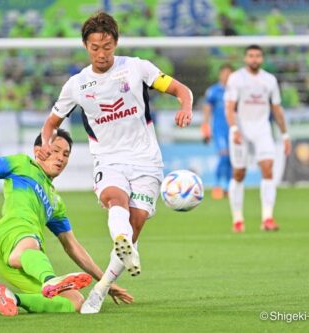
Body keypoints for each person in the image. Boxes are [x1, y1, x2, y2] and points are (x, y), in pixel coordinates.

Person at [39, 12, 193, 314]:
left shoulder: (137, 68)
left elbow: (180, 90)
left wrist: (185, 106)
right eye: (95, 47)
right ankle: (122, 240)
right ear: (86, 46)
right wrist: (46, 144)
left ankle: (101, 288)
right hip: (108, 159)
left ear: (116, 43)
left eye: (107, 46)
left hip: (147, 161)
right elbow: (51, 123)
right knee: (114, 199)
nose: (101, 53)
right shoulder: (77, 85)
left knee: (135, 222)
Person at [0, 129, 133, 315]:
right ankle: (49, 280)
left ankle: (13, 299)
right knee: (29, 243)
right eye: (55, 150)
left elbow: (72, 246)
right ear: (39, 151)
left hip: (19, 262)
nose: (60, 158)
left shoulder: (56, 202)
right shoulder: (23, 164)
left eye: (65, 154)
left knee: (75, 301)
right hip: (13, 230)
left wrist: (105, 282)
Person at [224, 45, 291, 233]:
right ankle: (237, 219)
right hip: (241, 130)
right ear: (246, 58)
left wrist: (285, 135)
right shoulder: (236, 78)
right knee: (239, 173)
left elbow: (277, 109)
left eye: (258, 56)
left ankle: (267, 218)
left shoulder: (270, 80)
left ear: (262, 59)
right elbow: (229, 107)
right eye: (251, 56)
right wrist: (234, 128)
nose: (254, 59)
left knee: (268, 169)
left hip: (262, 129)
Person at [201, 64, 233, 200]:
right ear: (220, 74)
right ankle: (218, 185)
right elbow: (207, 109)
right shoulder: (213, 91)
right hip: (219, 129)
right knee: (224, 156)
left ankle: (229, 187)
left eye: (229, 74)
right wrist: (205, 127)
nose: (226, 76)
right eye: (224, 73)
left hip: (233, 129)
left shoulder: (235, 91)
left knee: (232, 160)